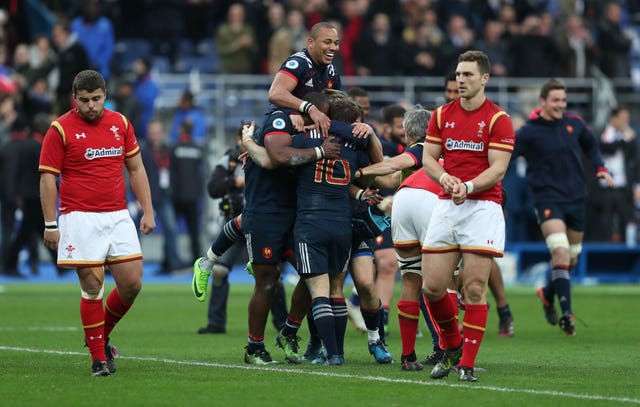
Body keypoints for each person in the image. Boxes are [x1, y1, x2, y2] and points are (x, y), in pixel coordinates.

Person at [38, 69, 155, 376]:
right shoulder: (59, 129)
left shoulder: (121, 123)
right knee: (92, 286)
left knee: (132, 283)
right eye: (85, 100)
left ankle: (99, 336)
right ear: (73, 98)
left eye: (96, 99)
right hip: (78, 216)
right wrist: (51, 224)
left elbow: (136, 169)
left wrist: (148, 210)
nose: (91, 105)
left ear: (105, 95)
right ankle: (98, 358)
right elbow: (48, 178)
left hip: (117, 215)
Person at [421, 50, 515, 383]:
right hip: (448, 204)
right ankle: (452, 345)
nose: (461, 80)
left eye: (468, 75)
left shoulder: (498, 119)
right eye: (459, 74)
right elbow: (428, 158)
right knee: (432, 288)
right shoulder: (440, 115)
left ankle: (467, 365)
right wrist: (443, 178)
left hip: (483, 207)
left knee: (474, 288)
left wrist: (469, 185)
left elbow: (499, 168)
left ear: (484, 79)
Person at [513, 79, 614, 336]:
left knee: (571, 257)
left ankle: (547, 293)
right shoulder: (528, 132)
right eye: (555, 100)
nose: (560, 105)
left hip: (576, 198)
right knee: (560, 251)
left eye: (563, 100)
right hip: (547, 200)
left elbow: (591, 146)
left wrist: (600, 168)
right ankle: (567, 313)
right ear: (543, 102)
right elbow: (505, 156)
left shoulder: (575, 124)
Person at [197, 125, 287, 334]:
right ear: (239, 139)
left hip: (261, 223)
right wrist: (236, 182)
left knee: (271, 273)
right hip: (235, 221)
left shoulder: (267, 155)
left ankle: (282, 323)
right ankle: (216, 323)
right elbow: (213, 187)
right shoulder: (230, 159)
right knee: (219, 270)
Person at [139, 119, 183, 274]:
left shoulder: (169, 150)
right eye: (152, 133)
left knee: (171, 229)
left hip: (164, 196)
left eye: (157, 132)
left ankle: (172, 263)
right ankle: (132, 264)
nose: (155, 136)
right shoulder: (142, 151)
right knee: (138, 232)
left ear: (162, 133)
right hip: (145, 198)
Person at [598, 105, 638, 242]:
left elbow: (634, 160)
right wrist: (625, 140)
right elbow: (608, 148)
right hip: (604, 187)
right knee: (605, 221)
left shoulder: (629, 137)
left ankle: (626, 250)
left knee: (626, 219)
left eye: (627, 118)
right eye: (622, 118)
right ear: (613, 119)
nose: (625, 122)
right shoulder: (604, 132)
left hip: (623, 186)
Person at [170, 120, 204, 263]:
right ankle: (197, 262)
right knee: (194, 232)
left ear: (181, 129)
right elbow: (199, 174)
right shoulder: (197, 149)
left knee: (171, 231)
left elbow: (171, 172)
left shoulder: (174, 148)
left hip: (177, 196)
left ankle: (169, 262)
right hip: (192, 196)